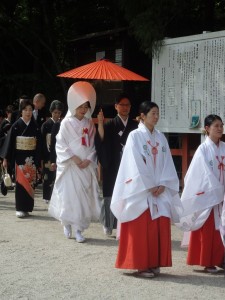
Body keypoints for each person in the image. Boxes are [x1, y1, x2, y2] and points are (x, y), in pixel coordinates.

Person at [110, 101, 182, 278]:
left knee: (158, 225)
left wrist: (163, 183)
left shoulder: (161, 137)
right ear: (142, 116)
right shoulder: (134, 136)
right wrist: (150, 185)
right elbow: (134, 164)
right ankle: (141, 264)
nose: (156, 117)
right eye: (153, 114)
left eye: (158, 113)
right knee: (141, 226)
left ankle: (155, 261)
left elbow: (167, 163)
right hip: (141, 190)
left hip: (159, 188)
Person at [48, 81, 100, 243]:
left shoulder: (89, 123)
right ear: (73, 105)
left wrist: (88, 159)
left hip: (85, 165)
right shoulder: (65, 123)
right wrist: (74, 158)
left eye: (86, 106)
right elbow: (60, 144)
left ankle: (79, 228)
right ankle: (67, 223)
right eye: (80, 106)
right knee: (69, 196)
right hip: (70, 165)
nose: (83, 110)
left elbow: (93, 144)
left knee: (82, 198)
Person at [178, 114, 225, 273]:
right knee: (209, 228)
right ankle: (207, 260)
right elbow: (200, 173)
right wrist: (217, 190)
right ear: (207, 129)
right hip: (209, 197)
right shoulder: (203, 149)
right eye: (216, 126)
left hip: (223, 197)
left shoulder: (224, 147)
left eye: (221, 125)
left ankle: (221, 259)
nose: (219, 128)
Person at [95, 94, 138, 236]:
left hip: (129, 166)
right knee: (109, 193)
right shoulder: (109, 124)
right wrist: (100, 123)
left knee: (128, 193)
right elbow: (101, 140)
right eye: (122, 104)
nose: (125, 108)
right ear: (116, 106)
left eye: (128, 105)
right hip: (112, 163)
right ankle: (108, 223)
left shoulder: (135, 126)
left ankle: (125, 223)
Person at [2, 99, 42, 218]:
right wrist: (5, 159)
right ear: (21, 112)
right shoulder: (16, 126)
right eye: (25, 110)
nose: (28, 112)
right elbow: (9, 143)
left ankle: (27, 207)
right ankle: (19, 208)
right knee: (20, 184)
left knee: (30, 183)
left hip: (31, 159)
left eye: (30, 110)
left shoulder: (35, 127)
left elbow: (39, 145)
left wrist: (38, 159)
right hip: (19, 158)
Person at [41, 100, 64, 204]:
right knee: (47, 176)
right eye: (55, 112)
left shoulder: (62, 124)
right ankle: (47, 196)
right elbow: (41, 140)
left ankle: (56, 196)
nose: (57, 115)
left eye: (59, 113)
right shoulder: (46, 125)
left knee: (58, 176)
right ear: (51, 112)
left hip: (59, 154)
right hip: (47, 153)